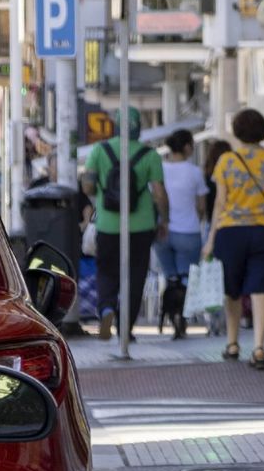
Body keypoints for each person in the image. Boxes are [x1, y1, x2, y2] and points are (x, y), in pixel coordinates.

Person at [203, 109, 264, 370]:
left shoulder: (226, 161)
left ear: (237, 132)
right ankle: (260, 347)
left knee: (232, 289)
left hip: (232, 232)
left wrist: (210, 239)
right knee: (261, 288)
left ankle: (232, 343)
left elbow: (219, 204)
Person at [81, 107, 167, 342]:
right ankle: (125, 327)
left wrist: (100, 188)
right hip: (141, 226)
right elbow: (159, 194)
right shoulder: (150, 155)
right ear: (139, 127)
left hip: (108, 224)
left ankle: (107, 308)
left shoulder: (100, 150)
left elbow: (87, 186)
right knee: (136, 275)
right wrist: (164, 220)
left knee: (106, 271)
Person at [155, 128, 206, 339]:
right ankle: (182, 317)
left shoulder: (160, 169)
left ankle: (171, 314)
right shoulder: (195, 172)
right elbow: (201, 205)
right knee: (186, 279)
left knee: (171, 278)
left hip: (162, 233)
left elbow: (156, 197)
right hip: (188, 231)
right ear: (186, 147)